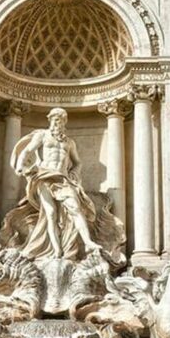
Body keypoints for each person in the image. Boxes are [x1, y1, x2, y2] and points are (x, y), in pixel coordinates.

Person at [9, 108, 101, 260]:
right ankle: (57, 251)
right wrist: (20, 166)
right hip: (44, 176)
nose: (57, 122)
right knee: (50, 213)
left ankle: (88, 242)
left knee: (75, 208)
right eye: (54, 119)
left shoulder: (69, 142)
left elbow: (78, 163)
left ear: (64, 121)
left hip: (62, 179)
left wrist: (74, 175)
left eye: (60, 119)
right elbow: (27, 151)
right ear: (50, 120)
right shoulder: (42, 136)